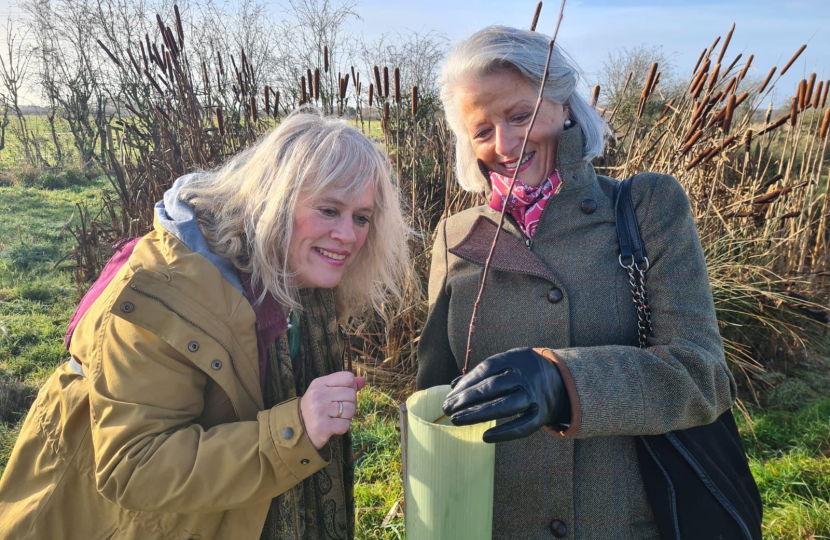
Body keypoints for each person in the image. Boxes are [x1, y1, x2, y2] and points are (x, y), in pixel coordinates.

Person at [0, 110, 411, 540]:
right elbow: (135, 466)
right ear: (276, 198)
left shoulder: (292, 279)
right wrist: (296, 431)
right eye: (329, 210)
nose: (348, 235)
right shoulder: (164, 293)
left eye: (362, 218)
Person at [416, 26, 738, 539]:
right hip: (494, 520)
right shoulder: (455, 236)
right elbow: (434, 392)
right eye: (481, 130)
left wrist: (564, 383)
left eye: (520, 115)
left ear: (565, 104)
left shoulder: (647, 206)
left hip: (621, 521)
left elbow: (704, 378)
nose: (505, 144)